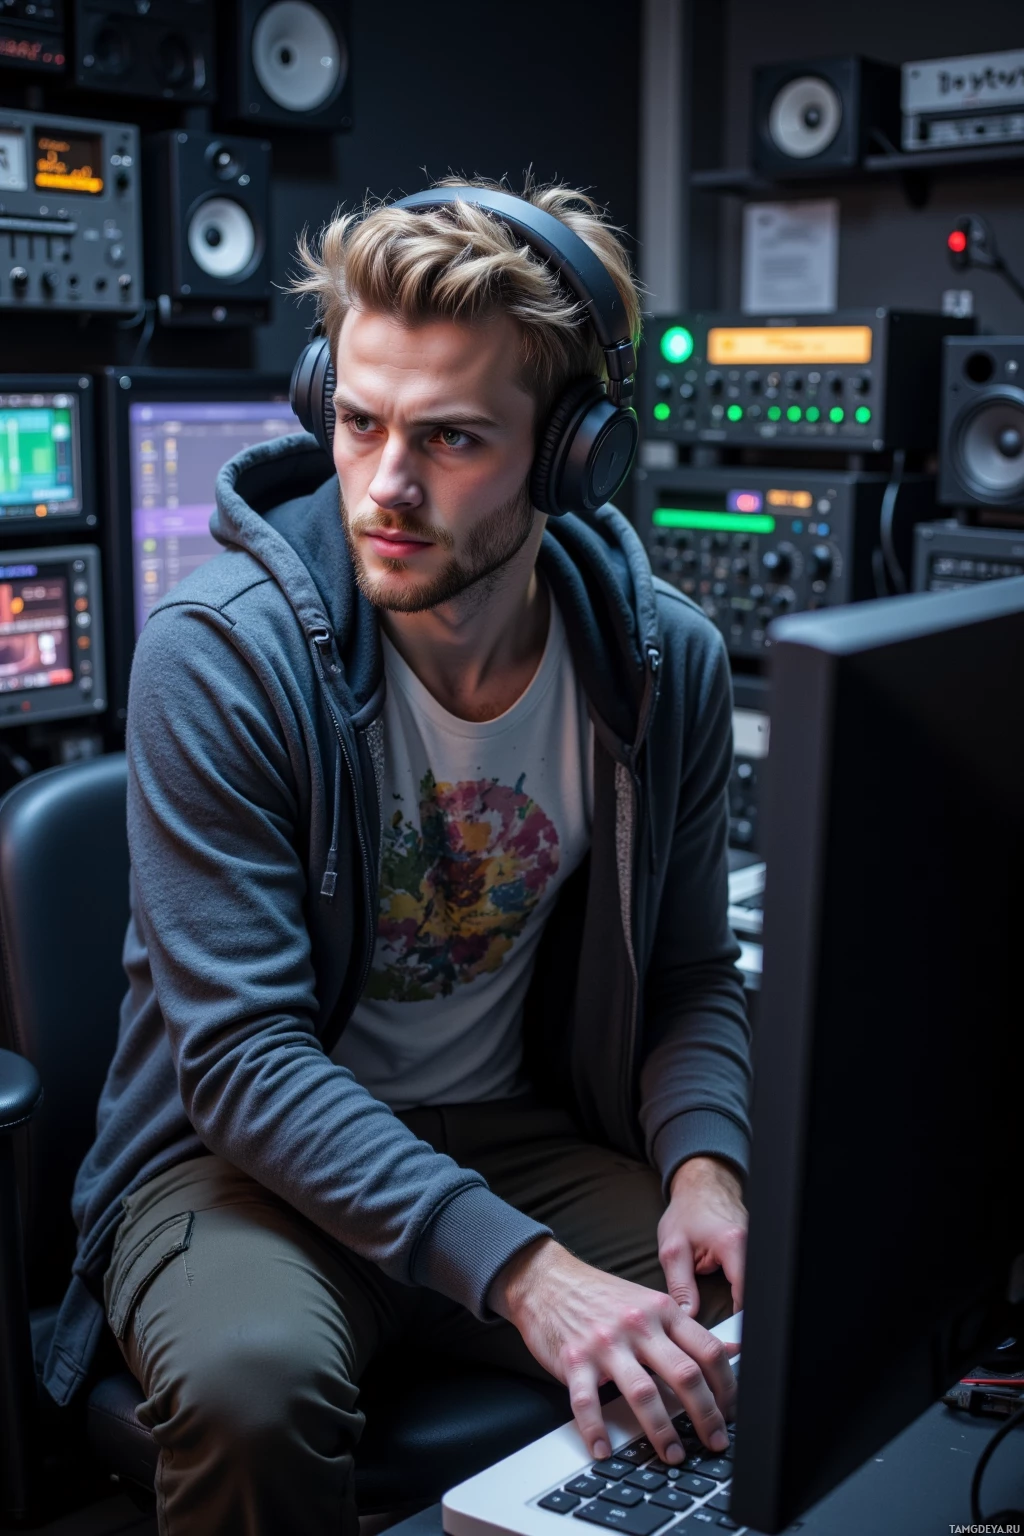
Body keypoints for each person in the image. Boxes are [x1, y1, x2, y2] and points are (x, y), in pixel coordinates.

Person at [45, 179, 753, 1536]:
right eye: (358, 423)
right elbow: (243, 1060)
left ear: (569, 454)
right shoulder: (224, 654)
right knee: (255, 1391)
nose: (385, 485)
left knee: (762, 1308)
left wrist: (705, 1164)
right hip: (238, 1166)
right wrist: (526, 1273)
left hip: (513, 1142)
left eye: (453, 439)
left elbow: (688, 976)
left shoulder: (666, 668)